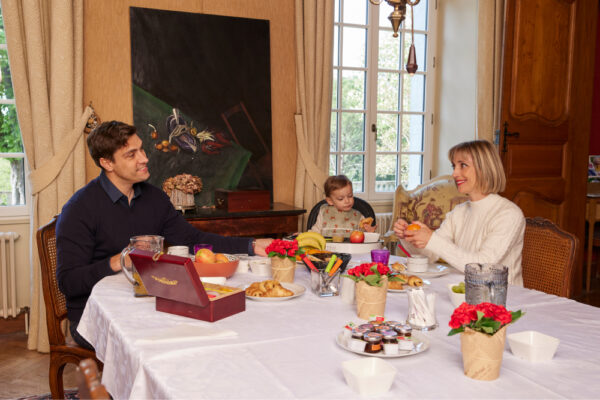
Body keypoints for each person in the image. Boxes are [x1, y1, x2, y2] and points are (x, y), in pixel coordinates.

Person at [56, 121, 272, 350]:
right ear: (107, 162)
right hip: (94, 315)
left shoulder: (154, 198)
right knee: (157, 346)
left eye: (141, 149)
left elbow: (192, 240)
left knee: (210, 331)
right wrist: (122, 259)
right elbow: (68, 282)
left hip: (146, 300)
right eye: (131, 154)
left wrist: (251, 245)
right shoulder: (79, 208)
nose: (144, 158)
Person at [393, 140, 525, 286]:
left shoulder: (509, 214)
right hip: (464, 291)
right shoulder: (459, 211)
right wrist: (409, 237)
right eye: (454, 166)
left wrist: (431, 239)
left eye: (463, 165)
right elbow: (431, 255)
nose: (454, 173)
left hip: (503, 299)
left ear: (484, 168)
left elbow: (482, 267)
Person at [310, 175, 377, 235]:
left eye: (350, 196)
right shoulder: (324, 212)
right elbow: (315, 231)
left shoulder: (358, 216)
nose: (347, 201)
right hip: (327, 248)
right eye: (341, 199)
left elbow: (363, 236)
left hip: (351, 248)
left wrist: (370, 232)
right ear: (330, 201)